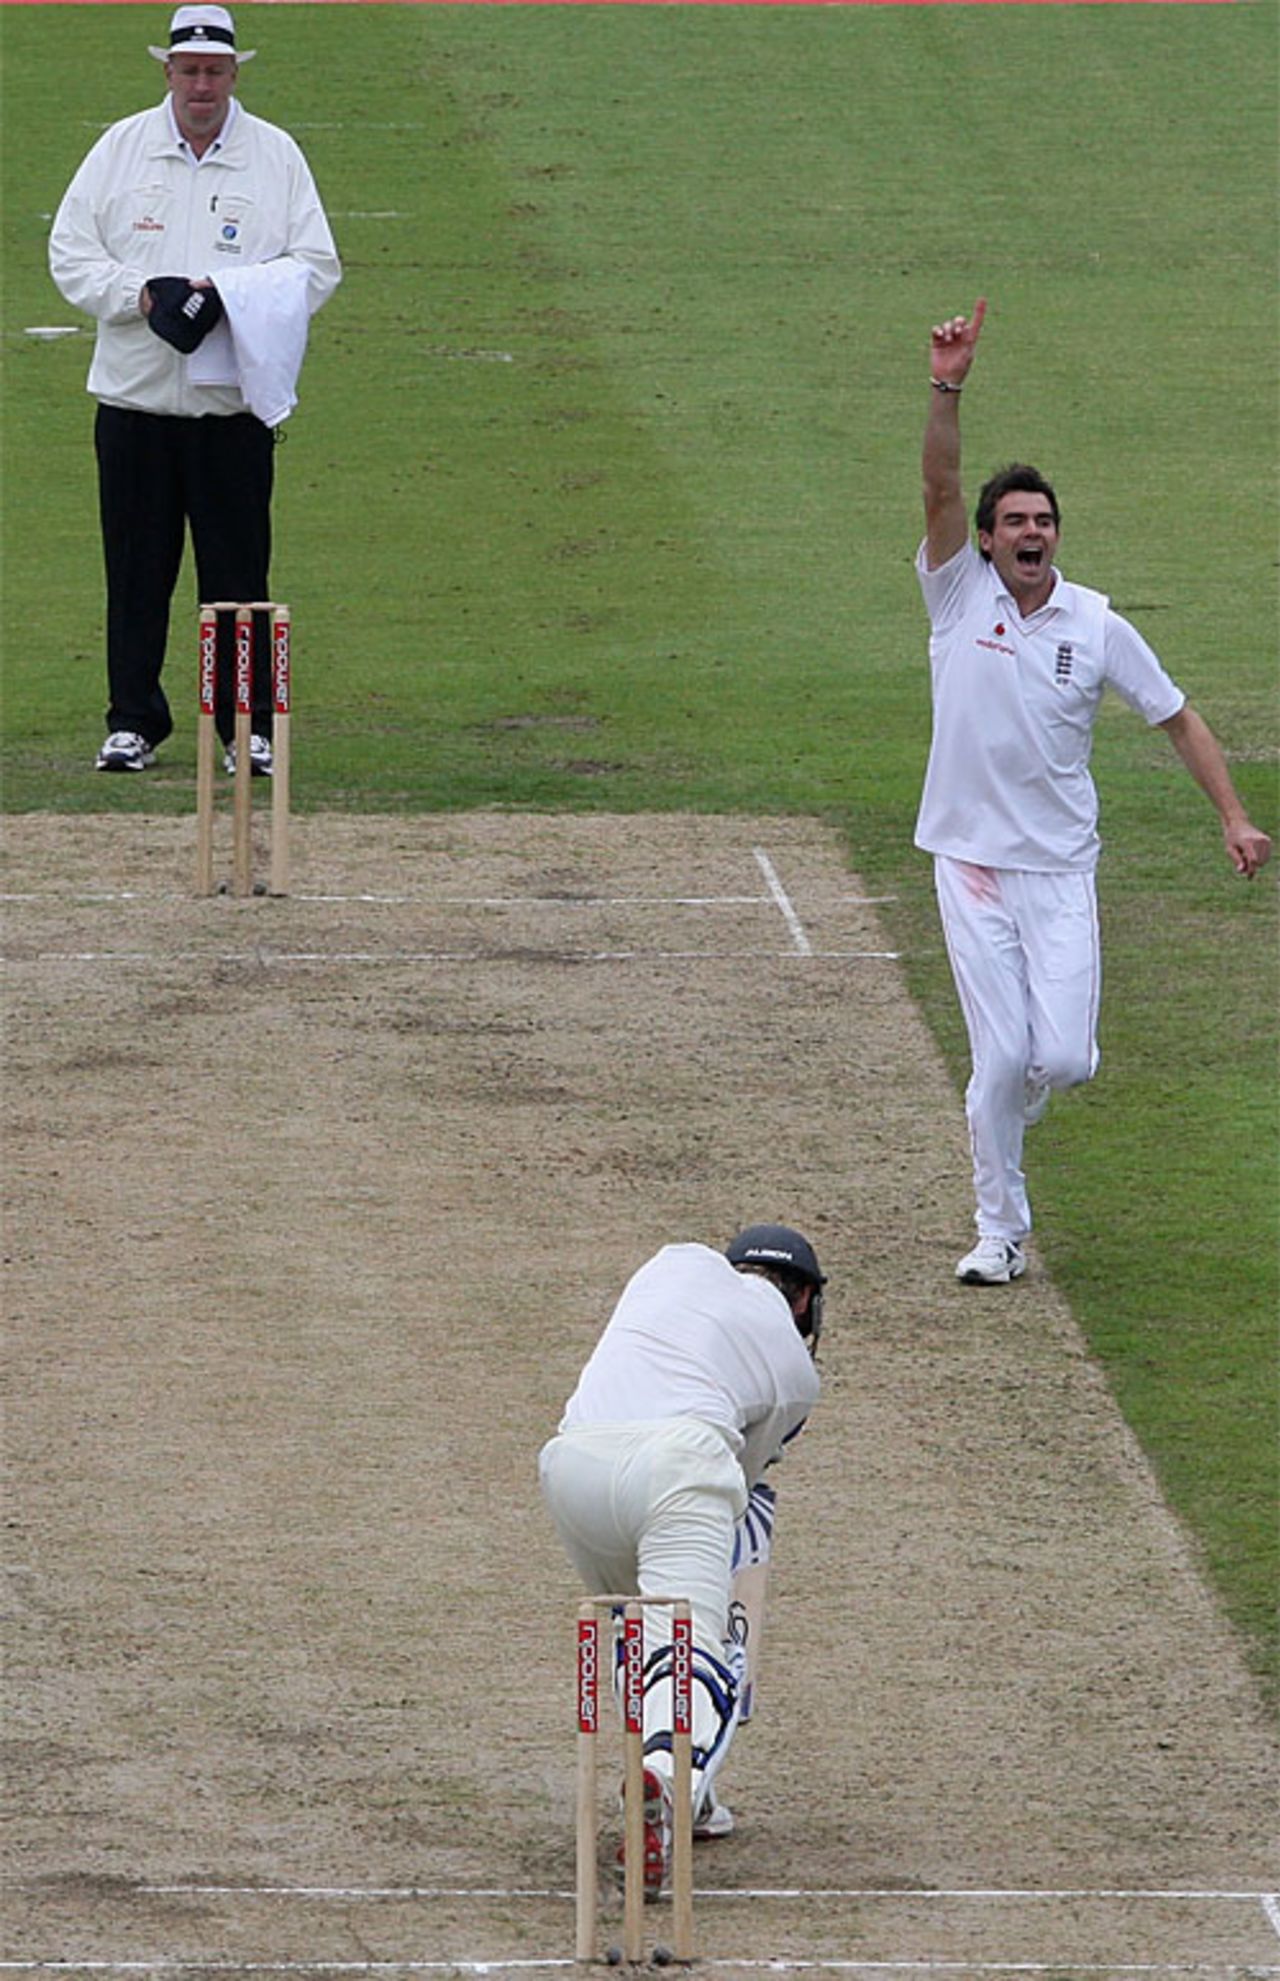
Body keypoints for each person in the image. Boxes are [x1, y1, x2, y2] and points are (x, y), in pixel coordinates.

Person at [917, 299, 1271, 1286]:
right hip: (970, 860)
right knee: (997, 1061)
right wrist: (947, 384)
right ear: (984, 540)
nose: (1029, 533)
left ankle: (1006, 1101)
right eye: (1013, 522)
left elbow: (1177, 718)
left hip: (1058, 866)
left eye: (1042, 520)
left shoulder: (1095, 622)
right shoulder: (955, 595)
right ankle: (1000, 1231)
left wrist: (1232, 816)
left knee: (1059, 1061)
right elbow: (938, 480)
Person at [48, 4, 341, 776]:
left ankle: (247, 728)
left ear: (234, 72)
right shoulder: (121, 149)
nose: (201, 85)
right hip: (135, 404)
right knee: (137, 572)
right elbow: (70, 255)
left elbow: (316, 266)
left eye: (214, 71)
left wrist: (230, 296)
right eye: (189, 71)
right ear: (168, 72)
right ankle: (133, 721)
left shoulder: (274, 156)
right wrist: (143, 296)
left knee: (237, 577)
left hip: (231, 410)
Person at [539, 1224, 826, 1891]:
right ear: (805, 1297)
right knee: (698, 1656)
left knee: (633, 1631)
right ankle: (668, 1779)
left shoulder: (669, 1264)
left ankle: (688, 1796)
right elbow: (741, 1483)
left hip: (571, 1462)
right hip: (678, 1465)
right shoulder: (796, 1370)